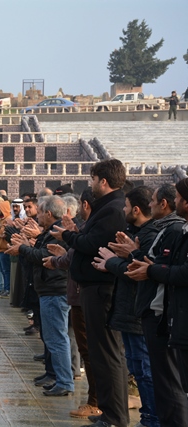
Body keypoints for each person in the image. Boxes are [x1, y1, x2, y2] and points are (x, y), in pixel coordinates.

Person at [51, 158, 129, 427]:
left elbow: (92, 243)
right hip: (91, 288)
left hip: (101, 289)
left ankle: (113, 415)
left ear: (103, 181)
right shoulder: (107, 207)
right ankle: (109, 413)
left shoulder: (112, 209)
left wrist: (69, 237)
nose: (91, 184)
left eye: (93, 179)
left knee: (106, 355)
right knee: (100, 353)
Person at [93, 186, 160, 427]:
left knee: (145, 368)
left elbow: (143, 270)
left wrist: (117, 261)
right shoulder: (133, 231)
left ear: (136, 209)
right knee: (137, 367)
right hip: (128, 309)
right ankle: (148, 416)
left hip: (139, 310)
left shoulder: (152, 234)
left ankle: (152, 418)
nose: (123, 210)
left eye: (126, 206)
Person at [124, 182, 188, 427]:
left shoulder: (173, 229)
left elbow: (178, 271)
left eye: (181, 197)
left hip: (166, 313)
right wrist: (138, 257)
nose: (150, 205)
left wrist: (147, 267)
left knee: (168, 382)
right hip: (169, 314)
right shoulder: (171, 229)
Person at [8, 196, 74, 396]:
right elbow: (40, 251)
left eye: (40, 211)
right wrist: (27, 243)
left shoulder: (57, 232)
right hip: (48, 288)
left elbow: (44, 256)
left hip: (55, 289)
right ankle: (57, 376)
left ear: (49, 213)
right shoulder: (50, 231)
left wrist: (23, 248)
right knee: (52, 336)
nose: (37, 215)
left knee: (57, 338)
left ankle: (64, 380)